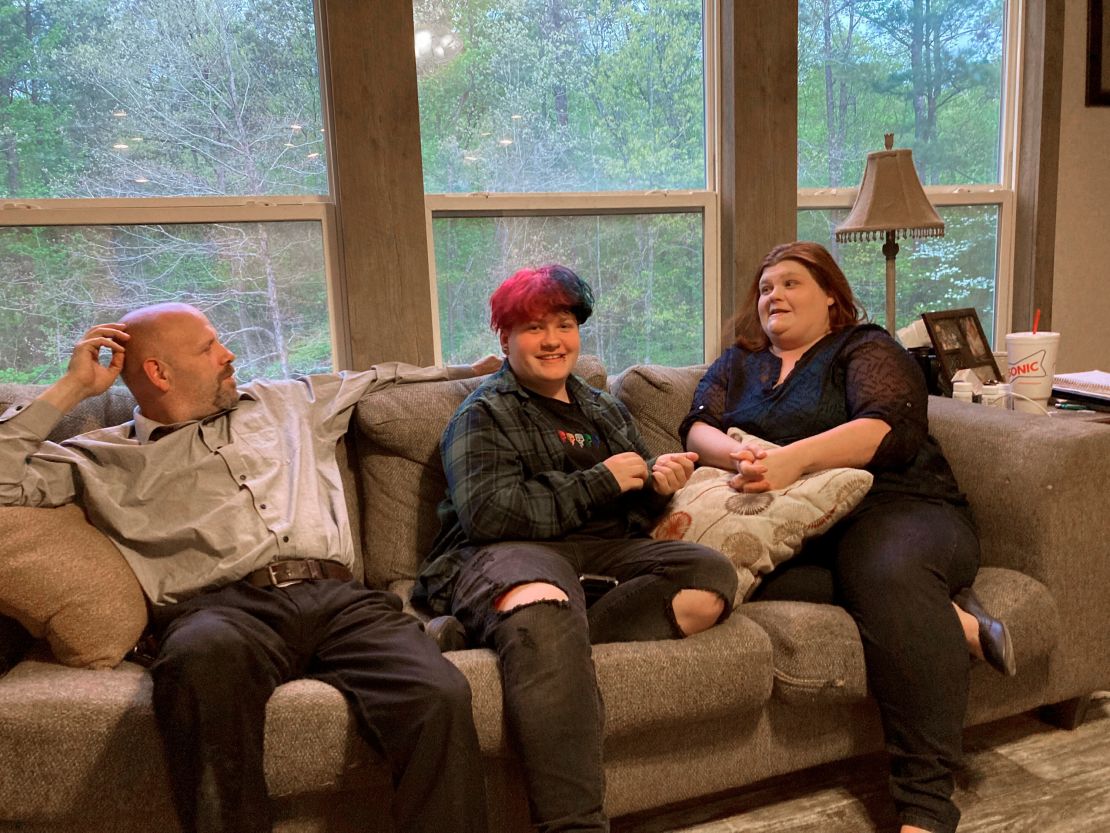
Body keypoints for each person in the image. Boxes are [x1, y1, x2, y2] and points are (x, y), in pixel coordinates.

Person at [0, 303, 495, 833]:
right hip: (221, 611)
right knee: (197, 667)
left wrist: (475, 371)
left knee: (439, 694)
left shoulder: (289, 401)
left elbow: (382, 378)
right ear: (158, 372)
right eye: (208, 347)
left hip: (341, 600)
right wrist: (72, 388)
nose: (228, 354)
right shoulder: (98, 457)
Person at [681, 241, 1014, 833]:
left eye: (790, 283)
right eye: (764, 288)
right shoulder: (739, 363)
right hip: (803, 524)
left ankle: (926, 807)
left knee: (883, 575)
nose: (773, 295)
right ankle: (953, 618)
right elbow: (697, 424)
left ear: (831, 296)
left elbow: (891, 426)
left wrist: (791, 462)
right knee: (745, 579)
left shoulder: (863, 346)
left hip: (901, 507)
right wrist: (742, 455)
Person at [415, 264, 739, 832]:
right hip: (504, 551)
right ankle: (575, 824)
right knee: (543, 597)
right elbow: (490, 514)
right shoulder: (483, 414)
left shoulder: (603, 408)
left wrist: (656, 487)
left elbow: (630, 503)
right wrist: (602, 481)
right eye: (534, 327)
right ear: (505, 338)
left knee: (707, 577)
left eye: (564, 324)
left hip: (600, 556)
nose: (552, 340)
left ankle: (511, 631)